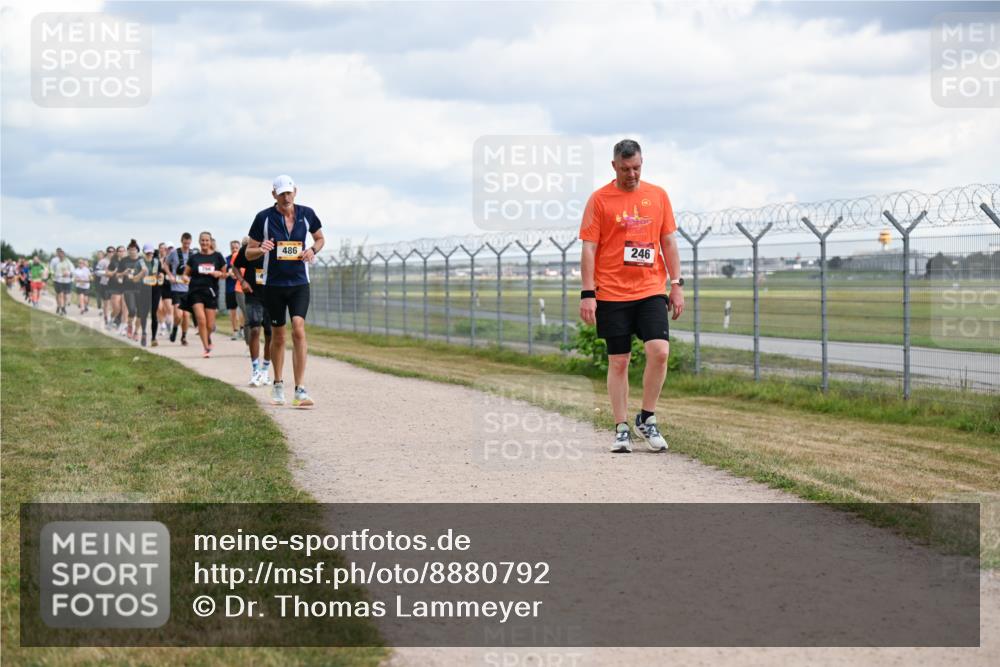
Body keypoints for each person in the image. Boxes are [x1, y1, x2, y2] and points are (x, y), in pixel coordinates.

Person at [579, 139, 685, 454]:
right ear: (614, 166)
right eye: (625, 169)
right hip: (611, 291)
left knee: (660, 351)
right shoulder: (600, 200)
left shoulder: (658, 195)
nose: (632, 174)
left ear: (642, 163)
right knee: (619, 361)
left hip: (651, 288)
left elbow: (668, 242)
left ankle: (647, 418)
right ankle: (622, 427)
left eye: (637, 167)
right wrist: (588, 293)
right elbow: (589, 247)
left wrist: (676, 284)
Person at [246, 174, 324, 407]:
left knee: (298, 329)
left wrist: (312, 250)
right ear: (274, 195)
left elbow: (320, 238)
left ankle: (300, 388)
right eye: (281, 193)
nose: (286, 196)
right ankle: (278, 383)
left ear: (295, 192)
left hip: (300, 283)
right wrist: (261, 248)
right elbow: (248, 251)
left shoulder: (307, 214)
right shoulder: (264, 218)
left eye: (289, 192)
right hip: (274, 285)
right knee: (278, 335)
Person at [233, 237, 273, 386]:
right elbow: (235, 266)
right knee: (255, 329)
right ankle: (255, 370)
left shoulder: (276, 247)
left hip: (272, 295)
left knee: (270, 333)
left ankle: (265, 370)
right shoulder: (250, 248)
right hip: (253, 294)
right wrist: (242, 281)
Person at [183, 231, 227, 358]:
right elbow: (186, 274)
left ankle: (208, 337)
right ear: (199, 241)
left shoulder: (217, 256)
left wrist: (219, 274)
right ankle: (206, 347)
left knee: (210, 325)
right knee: (201, 320)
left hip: (211, 292)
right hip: (195, 291)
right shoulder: (194, 258)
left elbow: (225, 274)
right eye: (202, 240)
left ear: (210, 241)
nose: (204, 243)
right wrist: (186, 278)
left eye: (207, 240)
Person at [165, 233, 193, 346]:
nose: (186, 245)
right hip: (176, 288)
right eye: (185, 243)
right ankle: (175, 328)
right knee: (178, 315)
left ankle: (183, 336)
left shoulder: (193, 254)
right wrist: (170, 275)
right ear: (181, 241)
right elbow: (165, 265)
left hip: (188, 289)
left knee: (186, 315)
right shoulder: (174, 253)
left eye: (188, 243)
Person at [133, 243, 161, 347]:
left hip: (155, 290)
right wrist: (141, 273)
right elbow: (135, 279)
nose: (150, 254)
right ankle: (144, 332)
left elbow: (161, 275)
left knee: (154, 314)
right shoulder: (139, 263)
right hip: (143, 290)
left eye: (151, 252)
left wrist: (161, 276)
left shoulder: (157, 262)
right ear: (144, 252)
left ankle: (153, 338)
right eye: (147, 252)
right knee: (143, 314)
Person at [118, 240, 145, 340]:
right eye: (130, 249)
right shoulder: (124, 261)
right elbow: (117, 275)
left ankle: (136, 332)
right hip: (128, 289)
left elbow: (147, 272)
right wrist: (124, 273)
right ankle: (129, 326)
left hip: (141, 289)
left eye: (133, 249)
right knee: (132, 310)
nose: (132, 251)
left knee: (140, 312)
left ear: (137, 250)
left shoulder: (142, 260)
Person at [225, 239, 243, 340]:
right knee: (232, 312)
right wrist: (229, 274)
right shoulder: (226, 259)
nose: (234, 249)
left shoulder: (243, 259)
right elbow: (223, 272)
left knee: (243, 311)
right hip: (230, 289)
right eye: (232, 248)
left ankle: (242, 328)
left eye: (236, 248)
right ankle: (235, 331)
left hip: (241, 289)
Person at [49, 248, 74, 315]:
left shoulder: (68, 261)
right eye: (60, 254)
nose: (61, 255)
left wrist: (68, 273)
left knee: (65, 296)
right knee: (60, 294)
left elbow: (72, 269)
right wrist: (53, 274)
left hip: (67, 281)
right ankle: (60, 307)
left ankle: (63, 307)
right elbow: (51, 269)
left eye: (63, 254)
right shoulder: (55, 261)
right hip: (58, 280)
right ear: (58, 254)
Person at [156, 243, 173, 341]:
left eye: (164, 248)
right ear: (159, 249)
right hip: (157, 286)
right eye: (161, 248)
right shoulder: (156, 260)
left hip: (167, 286)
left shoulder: (169, 261)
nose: (163, 250)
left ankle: (168, 327)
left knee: (168, 308)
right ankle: (162, 325)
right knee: (159, 307)